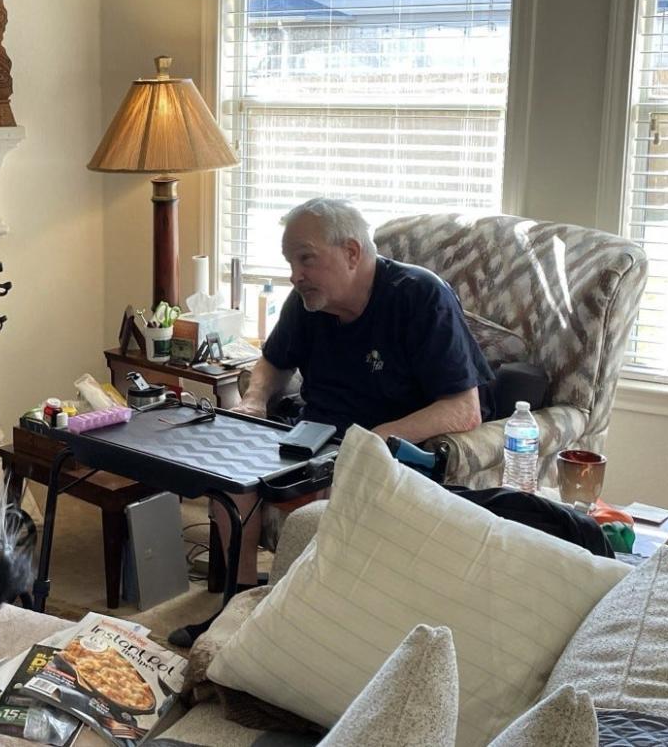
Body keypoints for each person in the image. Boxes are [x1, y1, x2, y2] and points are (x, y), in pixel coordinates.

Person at [169, 197, 492, 647]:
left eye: (305, 259)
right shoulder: (308, 301)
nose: (294, 274)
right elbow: (273, 363)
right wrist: (256, 400)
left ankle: (303, 628)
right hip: (312, 436)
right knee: (232, 482)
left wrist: (372, 439)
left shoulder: (420, 297)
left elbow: (464, 408)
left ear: (352, 253)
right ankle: (236, 611)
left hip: (387, 450)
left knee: (322, 504)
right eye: (290, 262)